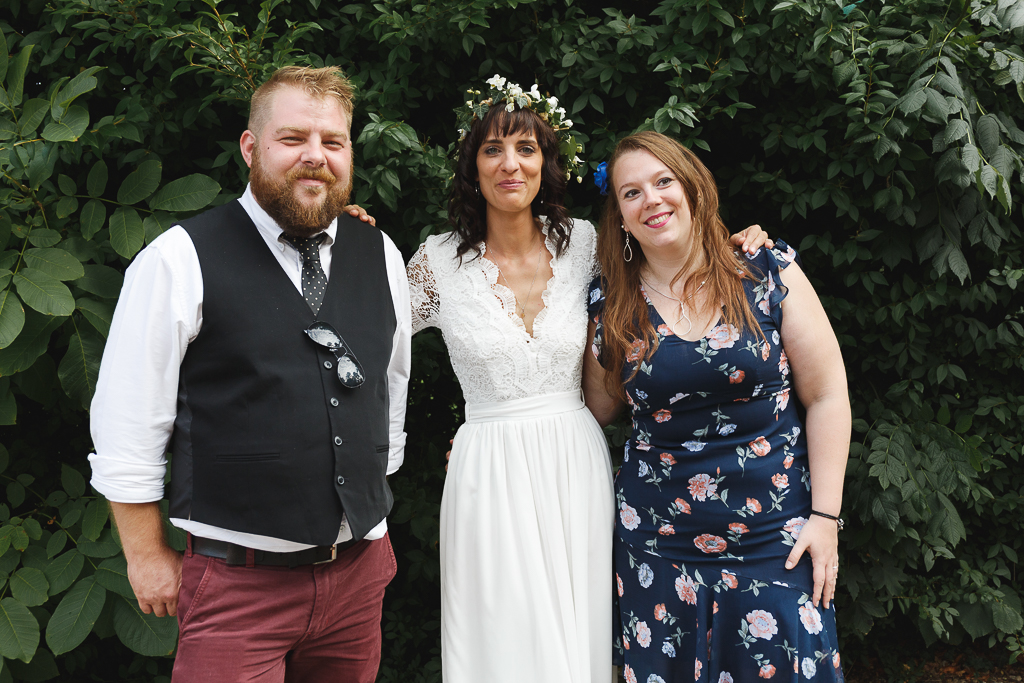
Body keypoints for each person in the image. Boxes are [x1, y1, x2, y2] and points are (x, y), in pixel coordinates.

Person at [407, 78, 770, 683]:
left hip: (574, 460)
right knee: (498, 635)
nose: (509, 164)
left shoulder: (586, 244)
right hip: (486, 469)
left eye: (525, 148)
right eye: (491, 149)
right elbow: (371, 338)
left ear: (547, 162)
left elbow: (671, 261)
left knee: (581, 638)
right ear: (472, 166)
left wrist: (741, 240)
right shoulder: (435, 263)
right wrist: (338, 237)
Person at [89, 65, 412, 683]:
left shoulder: (381, 252)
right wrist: (144, 554)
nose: (315, 157)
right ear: (251, 147)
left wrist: (373, 497)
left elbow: (388, 384)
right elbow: (128, 419)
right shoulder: (178, 258)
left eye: (333, 142)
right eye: (293, 139)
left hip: (357, 575)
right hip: (237, 584)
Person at [583, 131, 849, 682]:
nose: (651, 199)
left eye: (663, 182)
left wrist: (825, 518)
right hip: (657, 547)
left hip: (775, 539)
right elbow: (595, 409)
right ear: (621, 219)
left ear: (693, 187)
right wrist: (499, 424)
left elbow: (827, 395)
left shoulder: (766, 270)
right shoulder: (609, 303)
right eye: (631, 193)